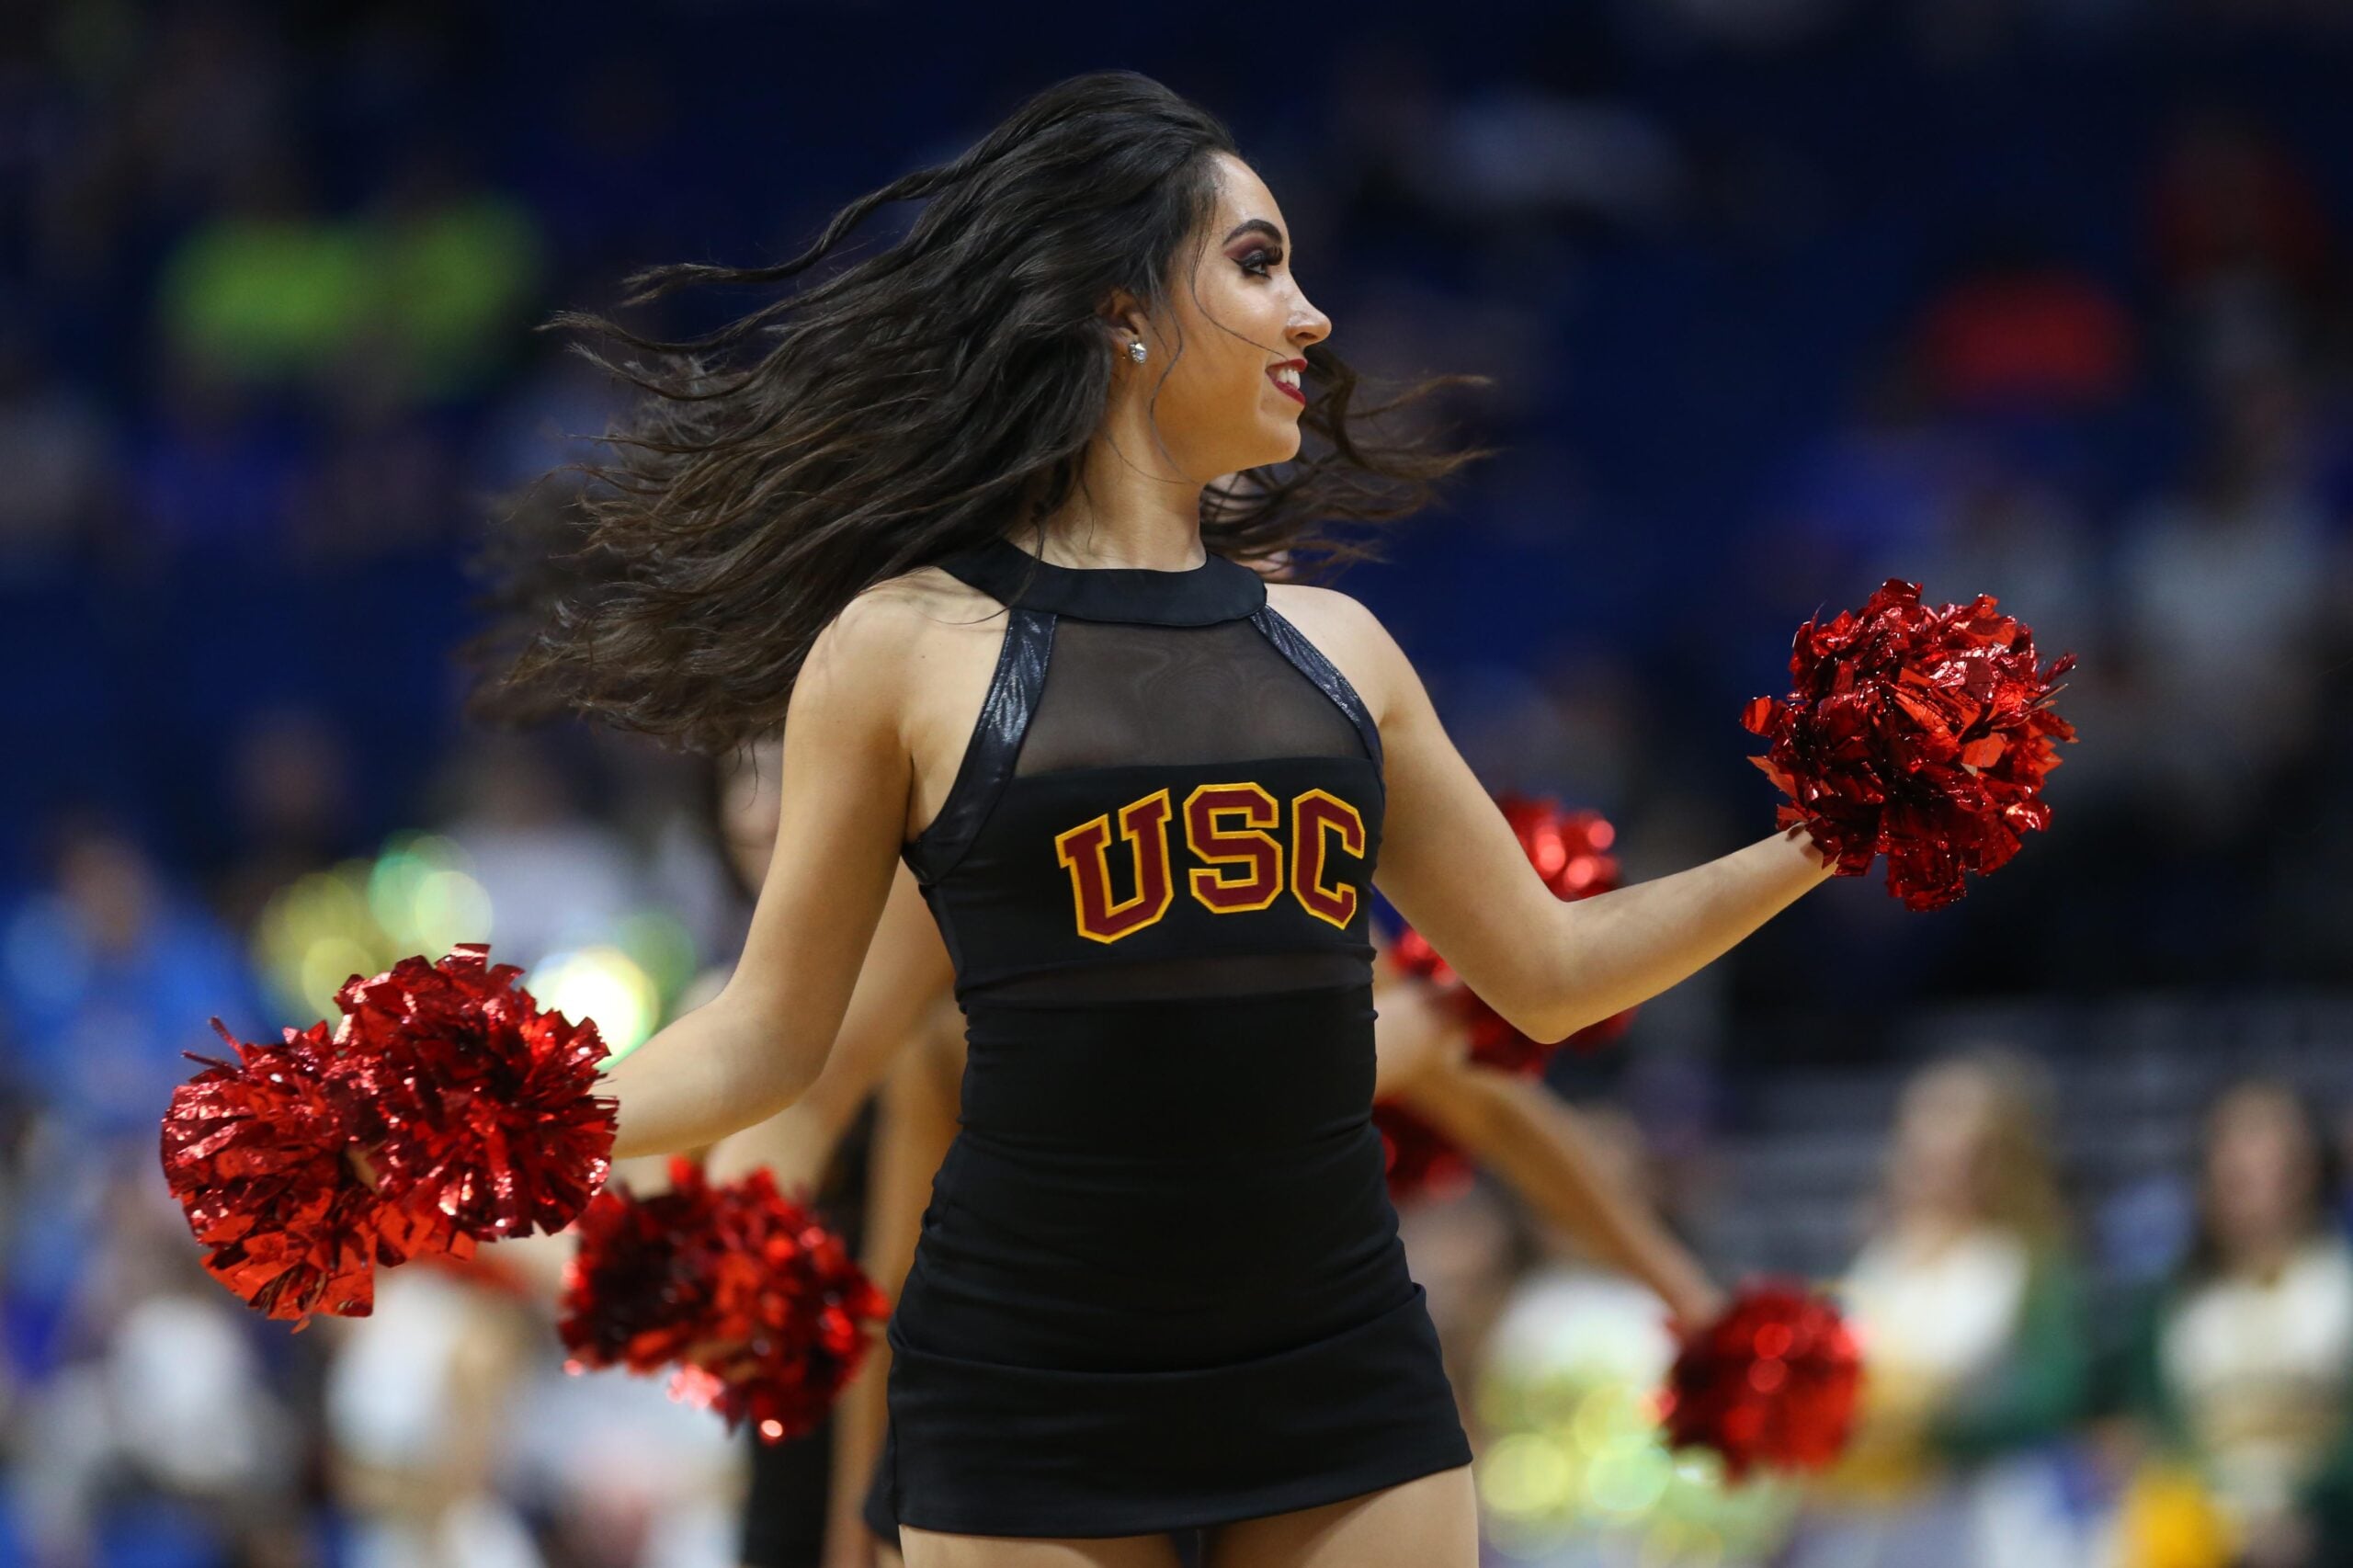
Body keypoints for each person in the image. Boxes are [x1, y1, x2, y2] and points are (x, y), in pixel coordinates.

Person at [465, 69, 1834, 1568]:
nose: (1312, 314)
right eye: (1256, 263)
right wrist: (469, 1127)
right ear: (1122, 310)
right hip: (1029, 1393)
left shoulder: (1345, 652)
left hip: (1340, 1374)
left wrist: (1824, 834)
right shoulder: (902, 648)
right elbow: (769, 1048)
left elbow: (1549, 977)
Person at [692, 734, 1724, 1568]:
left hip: (1269, 1391)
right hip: (1018, 1416)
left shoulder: (1270, 904)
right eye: (749, 787)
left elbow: (1496, 1101)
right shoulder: (943, 959)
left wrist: (1689, 1295)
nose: (763, 808)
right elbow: (883, 1258)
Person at [1786, 1050, 2091, 1568]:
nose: (1936, 1160)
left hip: (1985, 1518)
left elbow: (2053, 1395)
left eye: (1960, 1146)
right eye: (1923, 1138)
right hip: (1871, 1522)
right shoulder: (1877, 1260)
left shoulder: (2022, 1263)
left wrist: (1932, 1436)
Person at [2098, 1079, 2353, 1568]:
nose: (2262, 1188)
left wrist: (2313, 1510)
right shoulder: (2173, 1300)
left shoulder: (2337, 1280)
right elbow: (2155, 1426)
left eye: (2282, 1169)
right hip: (2206, 1534)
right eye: (2241, 1172)